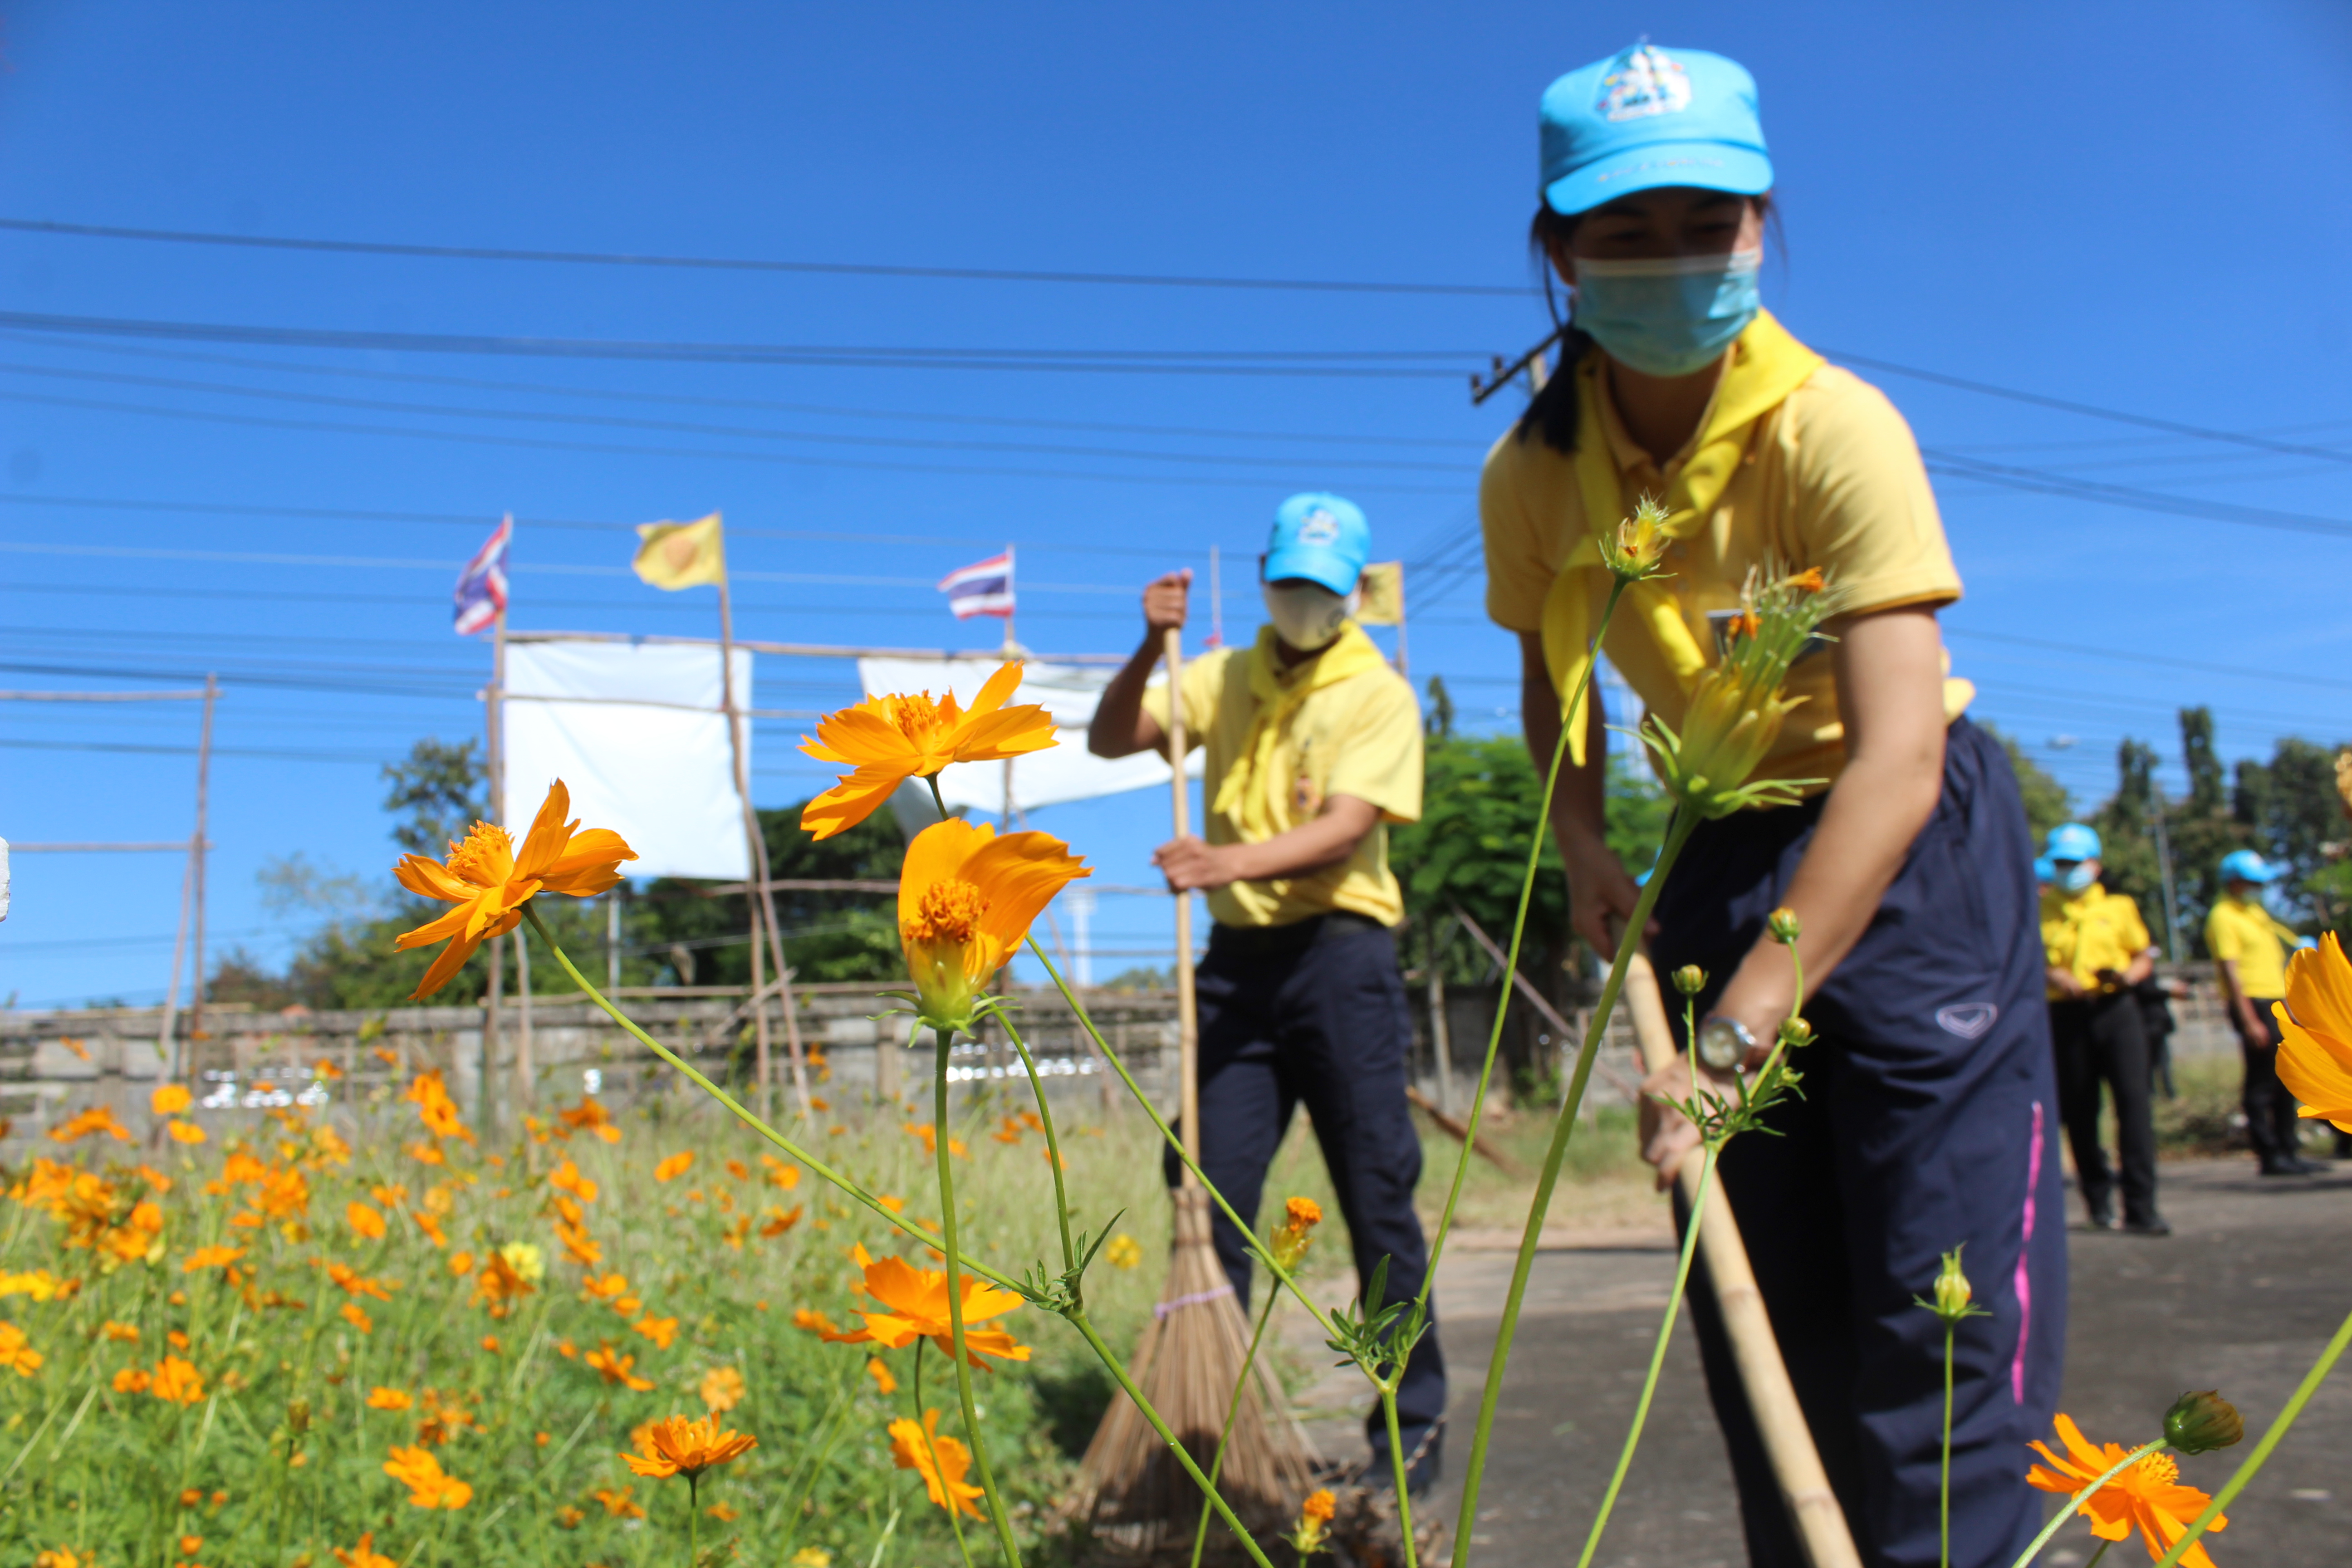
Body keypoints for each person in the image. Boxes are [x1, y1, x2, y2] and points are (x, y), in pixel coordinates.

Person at [1479, 42, 2066, 1568]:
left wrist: (1738, 1029)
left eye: (1708, 222)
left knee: (1933, 1333)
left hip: (1907, 863)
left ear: (1761, 224)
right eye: (1625, 232)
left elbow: (1895, 755)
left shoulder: (1834, 429)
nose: (1672, 260)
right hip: (1712, 857)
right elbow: (1554, 684)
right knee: (1769, 1332)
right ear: (1557, 252)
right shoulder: (1532, 477)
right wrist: (1588, 842)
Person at [1087, 493, 1445, 1492]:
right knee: (1206, 1182)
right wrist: (1142, 645)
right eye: (1286, 584)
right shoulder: (1219, 673)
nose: (1299, 604)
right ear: (1263, 576)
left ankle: (1408, 1435)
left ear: (1353, 595)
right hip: (1239, 968)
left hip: (1343, 956)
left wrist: (1220, 860)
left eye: (1319, 592)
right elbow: (1114, 741)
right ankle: (1218, 1430)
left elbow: (1346, 824)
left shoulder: (1376, 691)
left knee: (1378, 1193)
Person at [2039, 823, 2167, 1233]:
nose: (2067, 870)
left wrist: (2128, 976)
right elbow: (2025, 961)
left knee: (2134, 1107)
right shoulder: (2038, 909)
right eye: (2060, 863)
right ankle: (2097, 1201)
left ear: (2095, 865)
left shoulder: (2119, 908)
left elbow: (2143, 956)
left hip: (2117, 1011)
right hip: (2067, 1016)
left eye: (2075, 863)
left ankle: (2142, 1206)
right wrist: (2054, 976)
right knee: (2080, 1112)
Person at [2205, 848, 2323, 1175]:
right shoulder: (2223, 916)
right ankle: (2269, 1154)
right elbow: (2230, 971)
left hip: (2276, 1001)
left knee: (2288, 1077)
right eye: (2252, 881)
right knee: (2261, 1082)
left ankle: (2289, 1149)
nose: (2259, 887)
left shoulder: (2256, 914)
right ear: (2234, 882)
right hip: (2252, 1003)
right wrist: (2248, 1020)